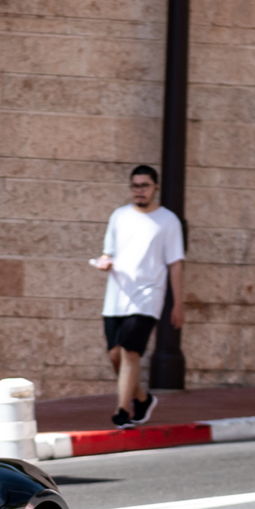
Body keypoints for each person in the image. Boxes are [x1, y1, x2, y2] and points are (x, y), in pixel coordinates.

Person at [88, 164, 187, 427]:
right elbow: (108, 251)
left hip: (148, 297)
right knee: (115, 355)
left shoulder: (168, 221)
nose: (139, 191)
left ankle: (122, 410)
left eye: (144, 185)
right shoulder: (119, 216)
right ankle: (142, 398)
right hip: (116, 296)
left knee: (131, 352)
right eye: (135, 185)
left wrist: (178, 304)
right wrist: (104, 261)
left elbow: (175, 264)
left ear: (155, 187)